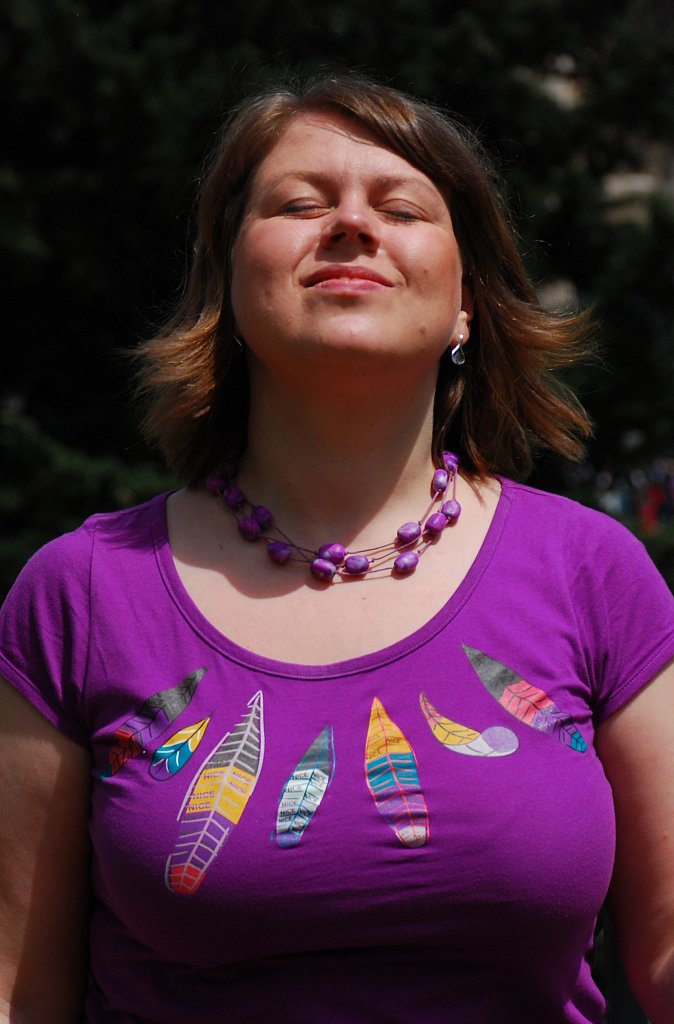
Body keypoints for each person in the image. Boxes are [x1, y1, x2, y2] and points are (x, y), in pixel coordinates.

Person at [1, 74, 673, 1024]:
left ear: (468, 304)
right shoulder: (82, 592)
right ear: (228, 285)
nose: (353, 224)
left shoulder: (591, 573)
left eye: (401, 209)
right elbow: (16, 988)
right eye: (299, 204)